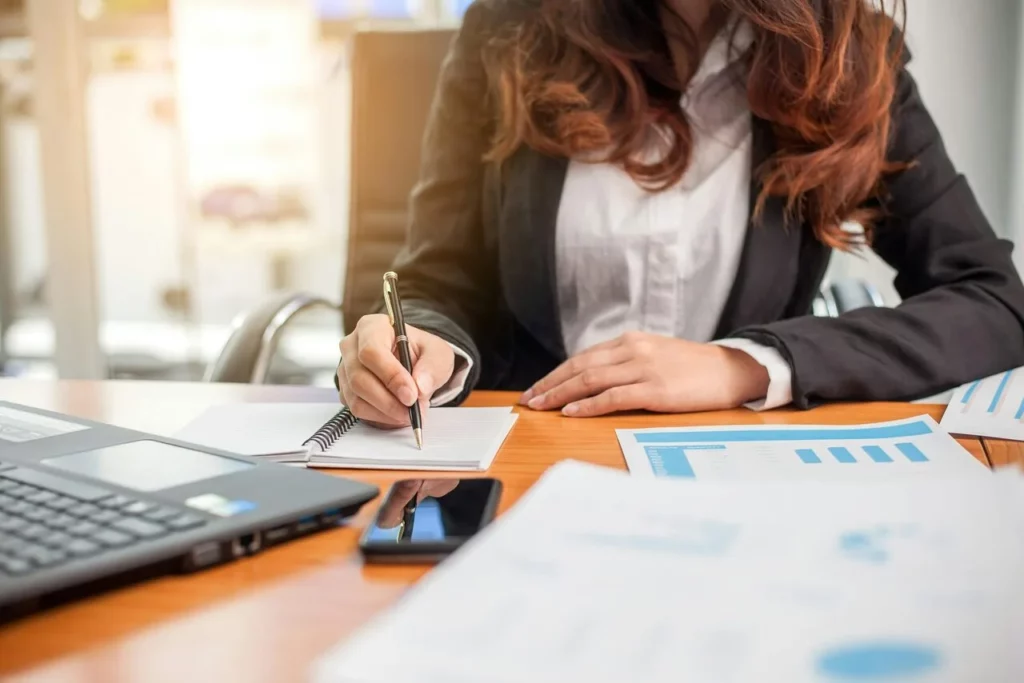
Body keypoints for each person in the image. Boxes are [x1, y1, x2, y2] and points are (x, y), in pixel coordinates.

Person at [336, 0, 1024, 425]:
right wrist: (420, 346)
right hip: (528, 455)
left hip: (735, 470)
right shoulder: (508, 29)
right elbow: (439, 280)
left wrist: (743, 365)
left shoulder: (848, 58)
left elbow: (995, 304)